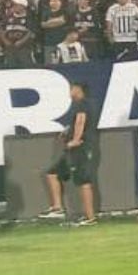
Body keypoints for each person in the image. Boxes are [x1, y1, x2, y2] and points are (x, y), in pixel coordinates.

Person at [42, 80, 99, 226]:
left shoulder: (82, 104)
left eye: (71, 88)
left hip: (80, 148)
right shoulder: (90, 104)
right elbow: (79, 122)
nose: (69, 91)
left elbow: (81, 121)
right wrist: (68, 130)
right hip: (77, 148)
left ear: (78, 89)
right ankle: (58, 208)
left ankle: (90, 218)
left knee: (83, 181)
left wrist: (75, 140)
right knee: (53, 173)